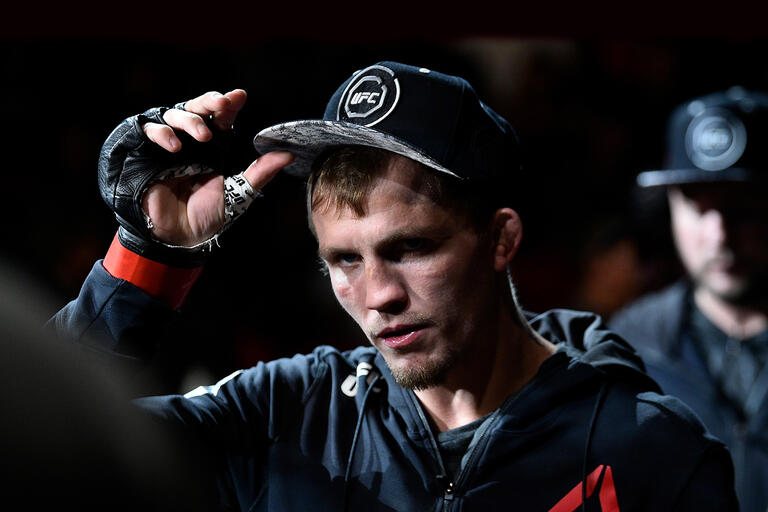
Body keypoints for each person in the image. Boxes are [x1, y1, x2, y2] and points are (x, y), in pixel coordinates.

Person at [50, 61, 738, 511]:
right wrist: (149, 257)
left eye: (410, 249)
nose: (378, 295)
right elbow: (43, 453)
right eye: (345, 260)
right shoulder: (285, 416)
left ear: (501, 239)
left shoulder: (652, 453)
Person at [610, 86, 768, 511]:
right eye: (698, 209)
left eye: (745, 209)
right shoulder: (631, 343)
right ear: (671, 210)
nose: (720, 236)